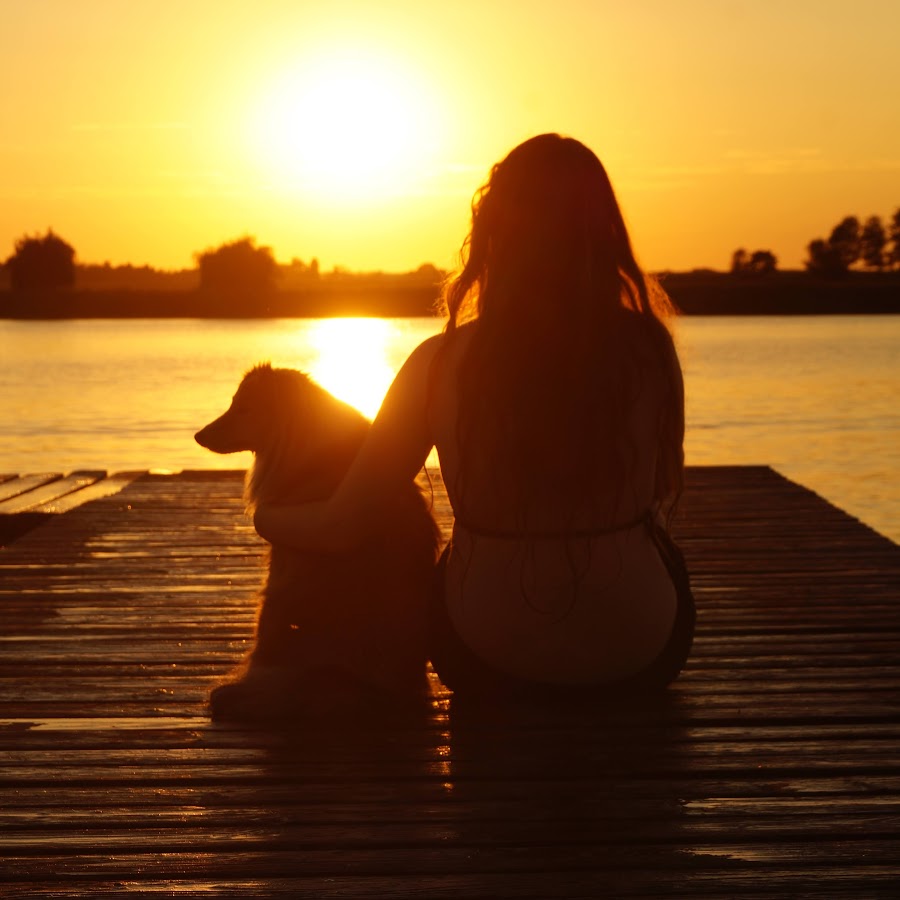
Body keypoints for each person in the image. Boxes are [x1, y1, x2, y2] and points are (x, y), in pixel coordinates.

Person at [255, 133, 693, 703]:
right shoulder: (649, 350)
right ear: (603, 233)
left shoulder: (438, 364)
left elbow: (342, 527)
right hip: (638, 654)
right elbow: (662, 491)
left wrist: (267, 516)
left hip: (488, 656)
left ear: (493, 234)